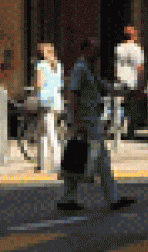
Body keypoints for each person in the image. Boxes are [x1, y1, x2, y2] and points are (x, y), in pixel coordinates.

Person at [57, 37, 133, 212]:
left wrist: (124, 90)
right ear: (85, 50)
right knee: (99, 158)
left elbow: (103, 86)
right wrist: (77, 122)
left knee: (77, 158)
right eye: (94, 49)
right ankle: (113, 198)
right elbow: (73, 95)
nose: (97, 53)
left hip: (90, 120)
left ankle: (68, 197)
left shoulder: (89, 70)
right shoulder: (80, 69)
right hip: (86, 121)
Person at [32, 40, 65, 174]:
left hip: (45, 101)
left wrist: (34, 87)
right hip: (56, 101)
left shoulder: (41, 65)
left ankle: (57, 163)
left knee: (50, 133)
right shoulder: (58, 65)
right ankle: (41, 164)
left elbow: (40, 83)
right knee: (43, 133)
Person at [112, 25, 145, 142]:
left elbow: (116, 66)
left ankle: (118, 129)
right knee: (132, 108)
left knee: (120, 105)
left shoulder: (119, 48)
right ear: (133, 35)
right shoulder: (136, 49)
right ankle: (130, 132)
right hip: (132, 81)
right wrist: (141, 82)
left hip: (120, 80)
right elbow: (140, 67)